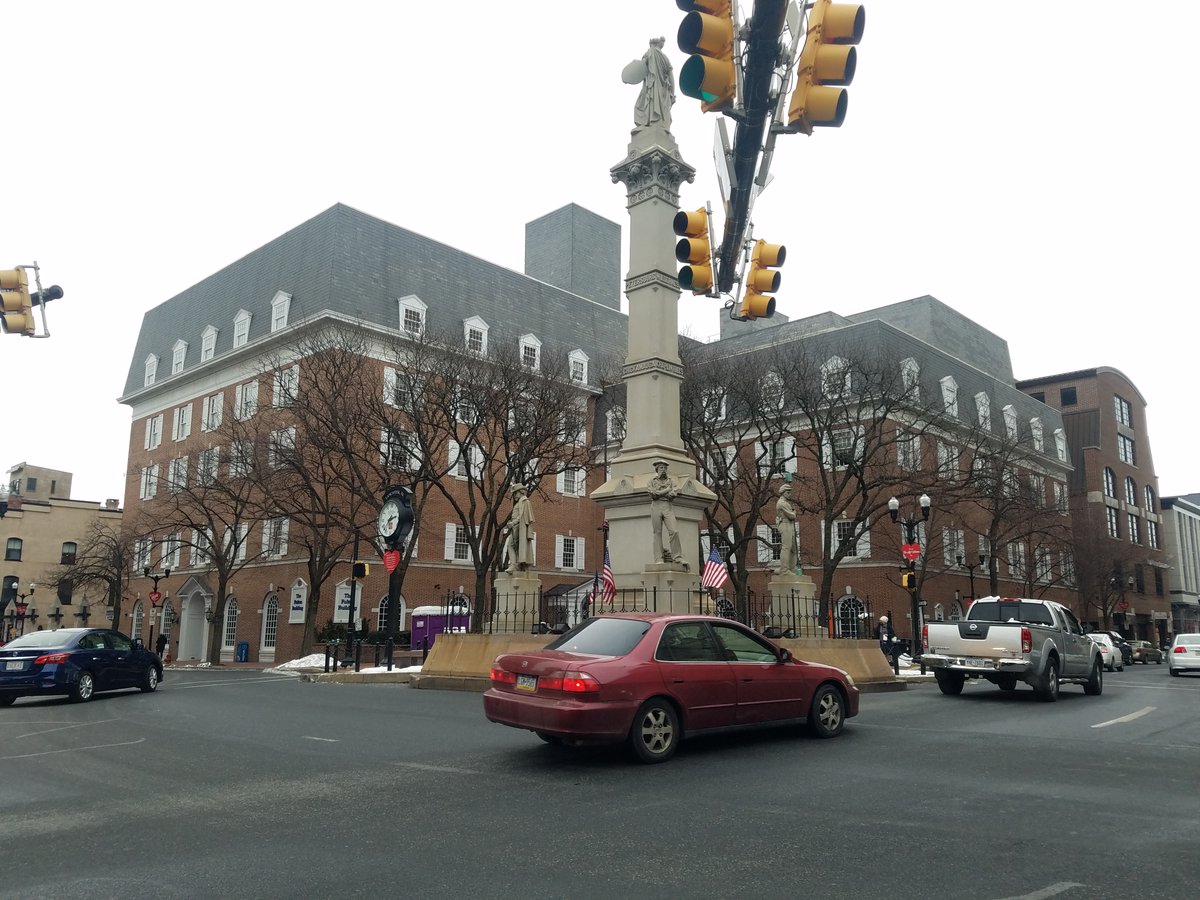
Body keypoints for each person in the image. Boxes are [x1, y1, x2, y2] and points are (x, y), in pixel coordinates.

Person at [629, 37, 675, 130]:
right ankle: (655, 123)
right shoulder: (665, 58)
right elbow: (671, 78)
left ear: (652, 45)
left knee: (642, 105)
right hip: (662, 92)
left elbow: (641, 67)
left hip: (652, 87)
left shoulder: (650, 52)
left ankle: (649, 122)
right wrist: (672, 94)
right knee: (657, 108)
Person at [647, 459, 685, 566]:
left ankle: (677, 557)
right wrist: (666, 490)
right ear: (657, 469)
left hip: (668, 506)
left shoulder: (671, 481)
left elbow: (673, 494)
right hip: (656, 506)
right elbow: (653, 494)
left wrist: (662, 492)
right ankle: (658, 558)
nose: (663, 470)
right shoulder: (652, 481)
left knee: (674, 531)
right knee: (657, 533)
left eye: (665, 468)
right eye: (661, 468)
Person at [503, 483, 535, 573]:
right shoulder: (520, 502)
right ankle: (517, 564)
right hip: (516, 527)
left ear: (520, 492)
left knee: (510, 545)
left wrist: (513, 523)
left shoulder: (524, 501)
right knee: (516, 547)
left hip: (519, 527)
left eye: (515, 493)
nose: (514, 495)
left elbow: (522, 516)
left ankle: (514, 565)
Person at [775, 483, 798, 575]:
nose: (789, 494)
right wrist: (794, 511)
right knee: (786, 547)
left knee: (793, 549)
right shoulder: (781, 503)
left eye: (790, 492)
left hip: (790, 525)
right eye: (788, 492)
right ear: (783, 493)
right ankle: (784, 570)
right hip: (785, 524)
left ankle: (792, 569)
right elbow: (792, 515)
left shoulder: (786, 503)